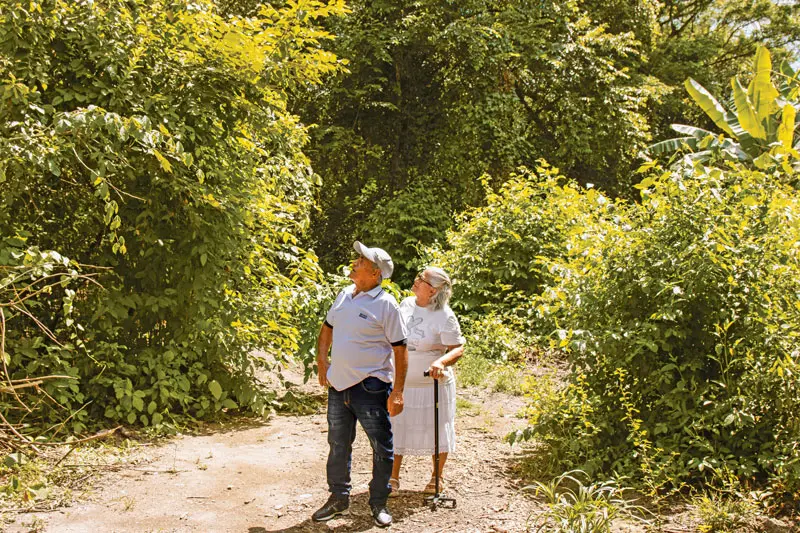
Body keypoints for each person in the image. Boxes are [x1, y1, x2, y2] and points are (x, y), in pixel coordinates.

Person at [311, 241, 408, 528]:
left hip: (371, 387)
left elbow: (400, 350)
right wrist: (322, 361)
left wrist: (399, 392)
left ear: (375, 273)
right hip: (338, 385)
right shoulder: (343, 295)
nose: (355, 262)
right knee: (338, 444)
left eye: (361, 260)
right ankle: (339, 498)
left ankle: (378, 504)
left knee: (381, 446)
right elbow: (326, 329)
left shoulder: (386, 304)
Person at [389, 266, 465, 495]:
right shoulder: (406, 304)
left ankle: (437, 477)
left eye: (421, 279)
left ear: (432, 290)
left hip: (433, 384)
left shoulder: (444, 315)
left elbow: (458, 347)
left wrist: (441, 362)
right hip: (402, 382)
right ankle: (392, 478)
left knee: (438, 428)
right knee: (396, 426)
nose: (415, 280)